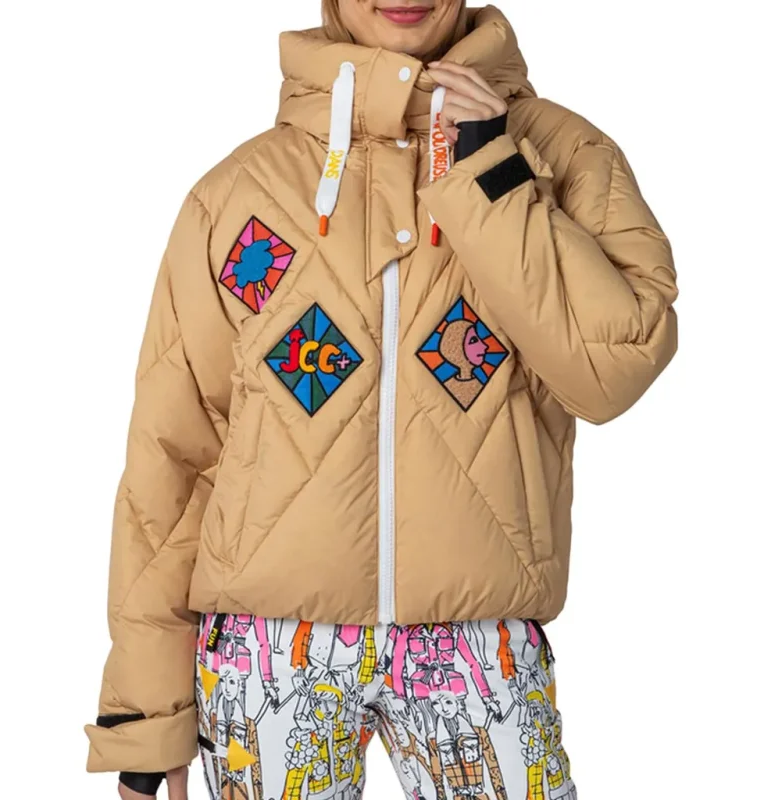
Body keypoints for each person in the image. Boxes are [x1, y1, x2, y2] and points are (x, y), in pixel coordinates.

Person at [84, 1, 678, 798]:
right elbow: (175, 458)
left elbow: (614, 369)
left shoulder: (563, 157)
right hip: (270, 650)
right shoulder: (239, 196)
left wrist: (490, 170)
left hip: (479, 642)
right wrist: (147, 710)